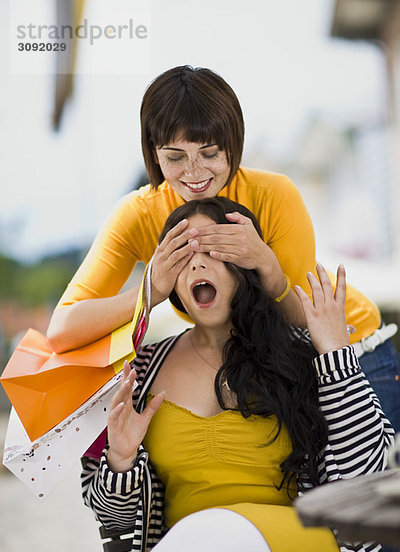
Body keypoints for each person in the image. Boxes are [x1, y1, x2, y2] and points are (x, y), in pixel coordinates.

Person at [47, 65, 400, 436]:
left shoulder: (274, 194)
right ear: (153, 154)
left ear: (235, 142)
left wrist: (266, 265)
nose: (195, 172)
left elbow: (308, 322)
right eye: (175, 157)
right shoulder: (138, 214)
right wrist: (151, 290)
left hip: (353, 352)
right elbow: (63, 330)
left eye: (210, 152)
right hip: (270, 370)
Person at [82, 198, 399, 552]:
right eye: (182, 255)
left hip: (302, 549)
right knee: (197, 543)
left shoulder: (301, 353)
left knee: (208, 533)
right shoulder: (139, 370)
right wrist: (121, 461)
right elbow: (115, 519)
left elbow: (368, 477)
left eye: (214, 251)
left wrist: (336, 353)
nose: (197, 265)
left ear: (244, 265)